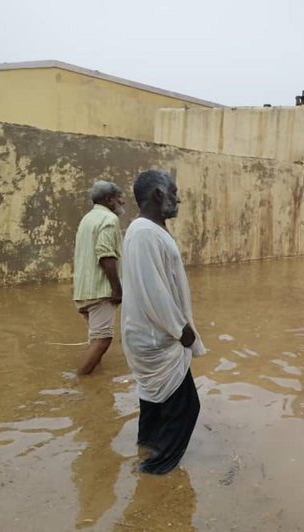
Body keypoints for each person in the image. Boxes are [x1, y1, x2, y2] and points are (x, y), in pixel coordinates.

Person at [121, 170, 206, 474]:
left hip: (152, 333)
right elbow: (152, 290)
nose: (178, 197)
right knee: (186, 407)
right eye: (174, 191)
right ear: (158, 194)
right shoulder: (144, 232)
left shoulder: (149, 230)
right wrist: (181, 329)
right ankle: (155, 469)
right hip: (157, 336)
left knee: (155, 401)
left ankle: (147, 447)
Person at [72, 180, 125, 375]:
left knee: (96, 340)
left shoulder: (87, 219)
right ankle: (79, 380)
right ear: (109, 199)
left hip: (83, 291)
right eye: (119, 197)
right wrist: (117, 289)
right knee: (103, 340)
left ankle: (95, 390)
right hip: (101, 290)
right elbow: (105, 254)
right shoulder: (109, 220)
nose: (123, 201)